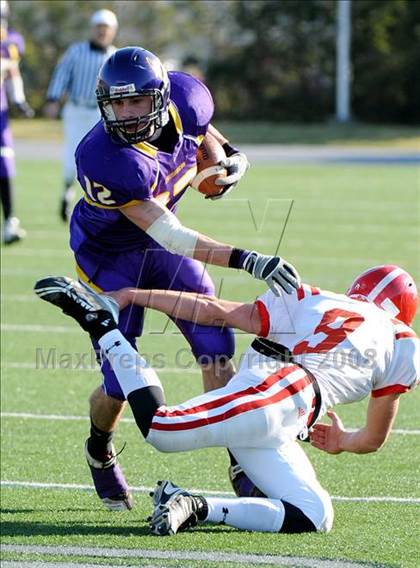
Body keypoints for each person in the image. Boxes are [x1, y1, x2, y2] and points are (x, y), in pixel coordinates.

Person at [55, 45, 300, 513]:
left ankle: (239, 461)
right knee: (118, 382)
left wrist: (227, 155)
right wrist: (247, 259)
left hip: (161, 248)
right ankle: (99, 447)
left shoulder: (187, 97)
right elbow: (170, 233)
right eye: (117, 103)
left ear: (162, 98)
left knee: (216, 349)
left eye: (137, 103)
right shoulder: (104, 157)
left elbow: (202, 130)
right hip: (112, 258)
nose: (125, 114)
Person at [34, 264, 419, 534]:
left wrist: (136, 295)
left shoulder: (316, 298)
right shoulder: (403, 340)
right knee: (161, 429)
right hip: (285, 393)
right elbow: (373, 438)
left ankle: (194, 505)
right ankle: (103, 327)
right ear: (405, 313)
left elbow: (214, 311)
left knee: (314, 513)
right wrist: (343, 441)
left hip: (276, 410)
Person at [44, 9, 118, 222]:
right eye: (99, 28)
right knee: (73, 155)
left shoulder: (115, 56)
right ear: (92, 29)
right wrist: (53, 99)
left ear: (113, 31)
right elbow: (62, 75)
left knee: (101, 157)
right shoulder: (76, 52)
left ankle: (96, 202)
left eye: (106, 29)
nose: (102, 32)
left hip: (100, 113)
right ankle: (67, 193)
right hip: (76, 110)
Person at [0, 0, 34, 244]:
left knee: (4, 162)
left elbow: (12, 69)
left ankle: (10, 220)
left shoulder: (10, 40)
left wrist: (19, 99)